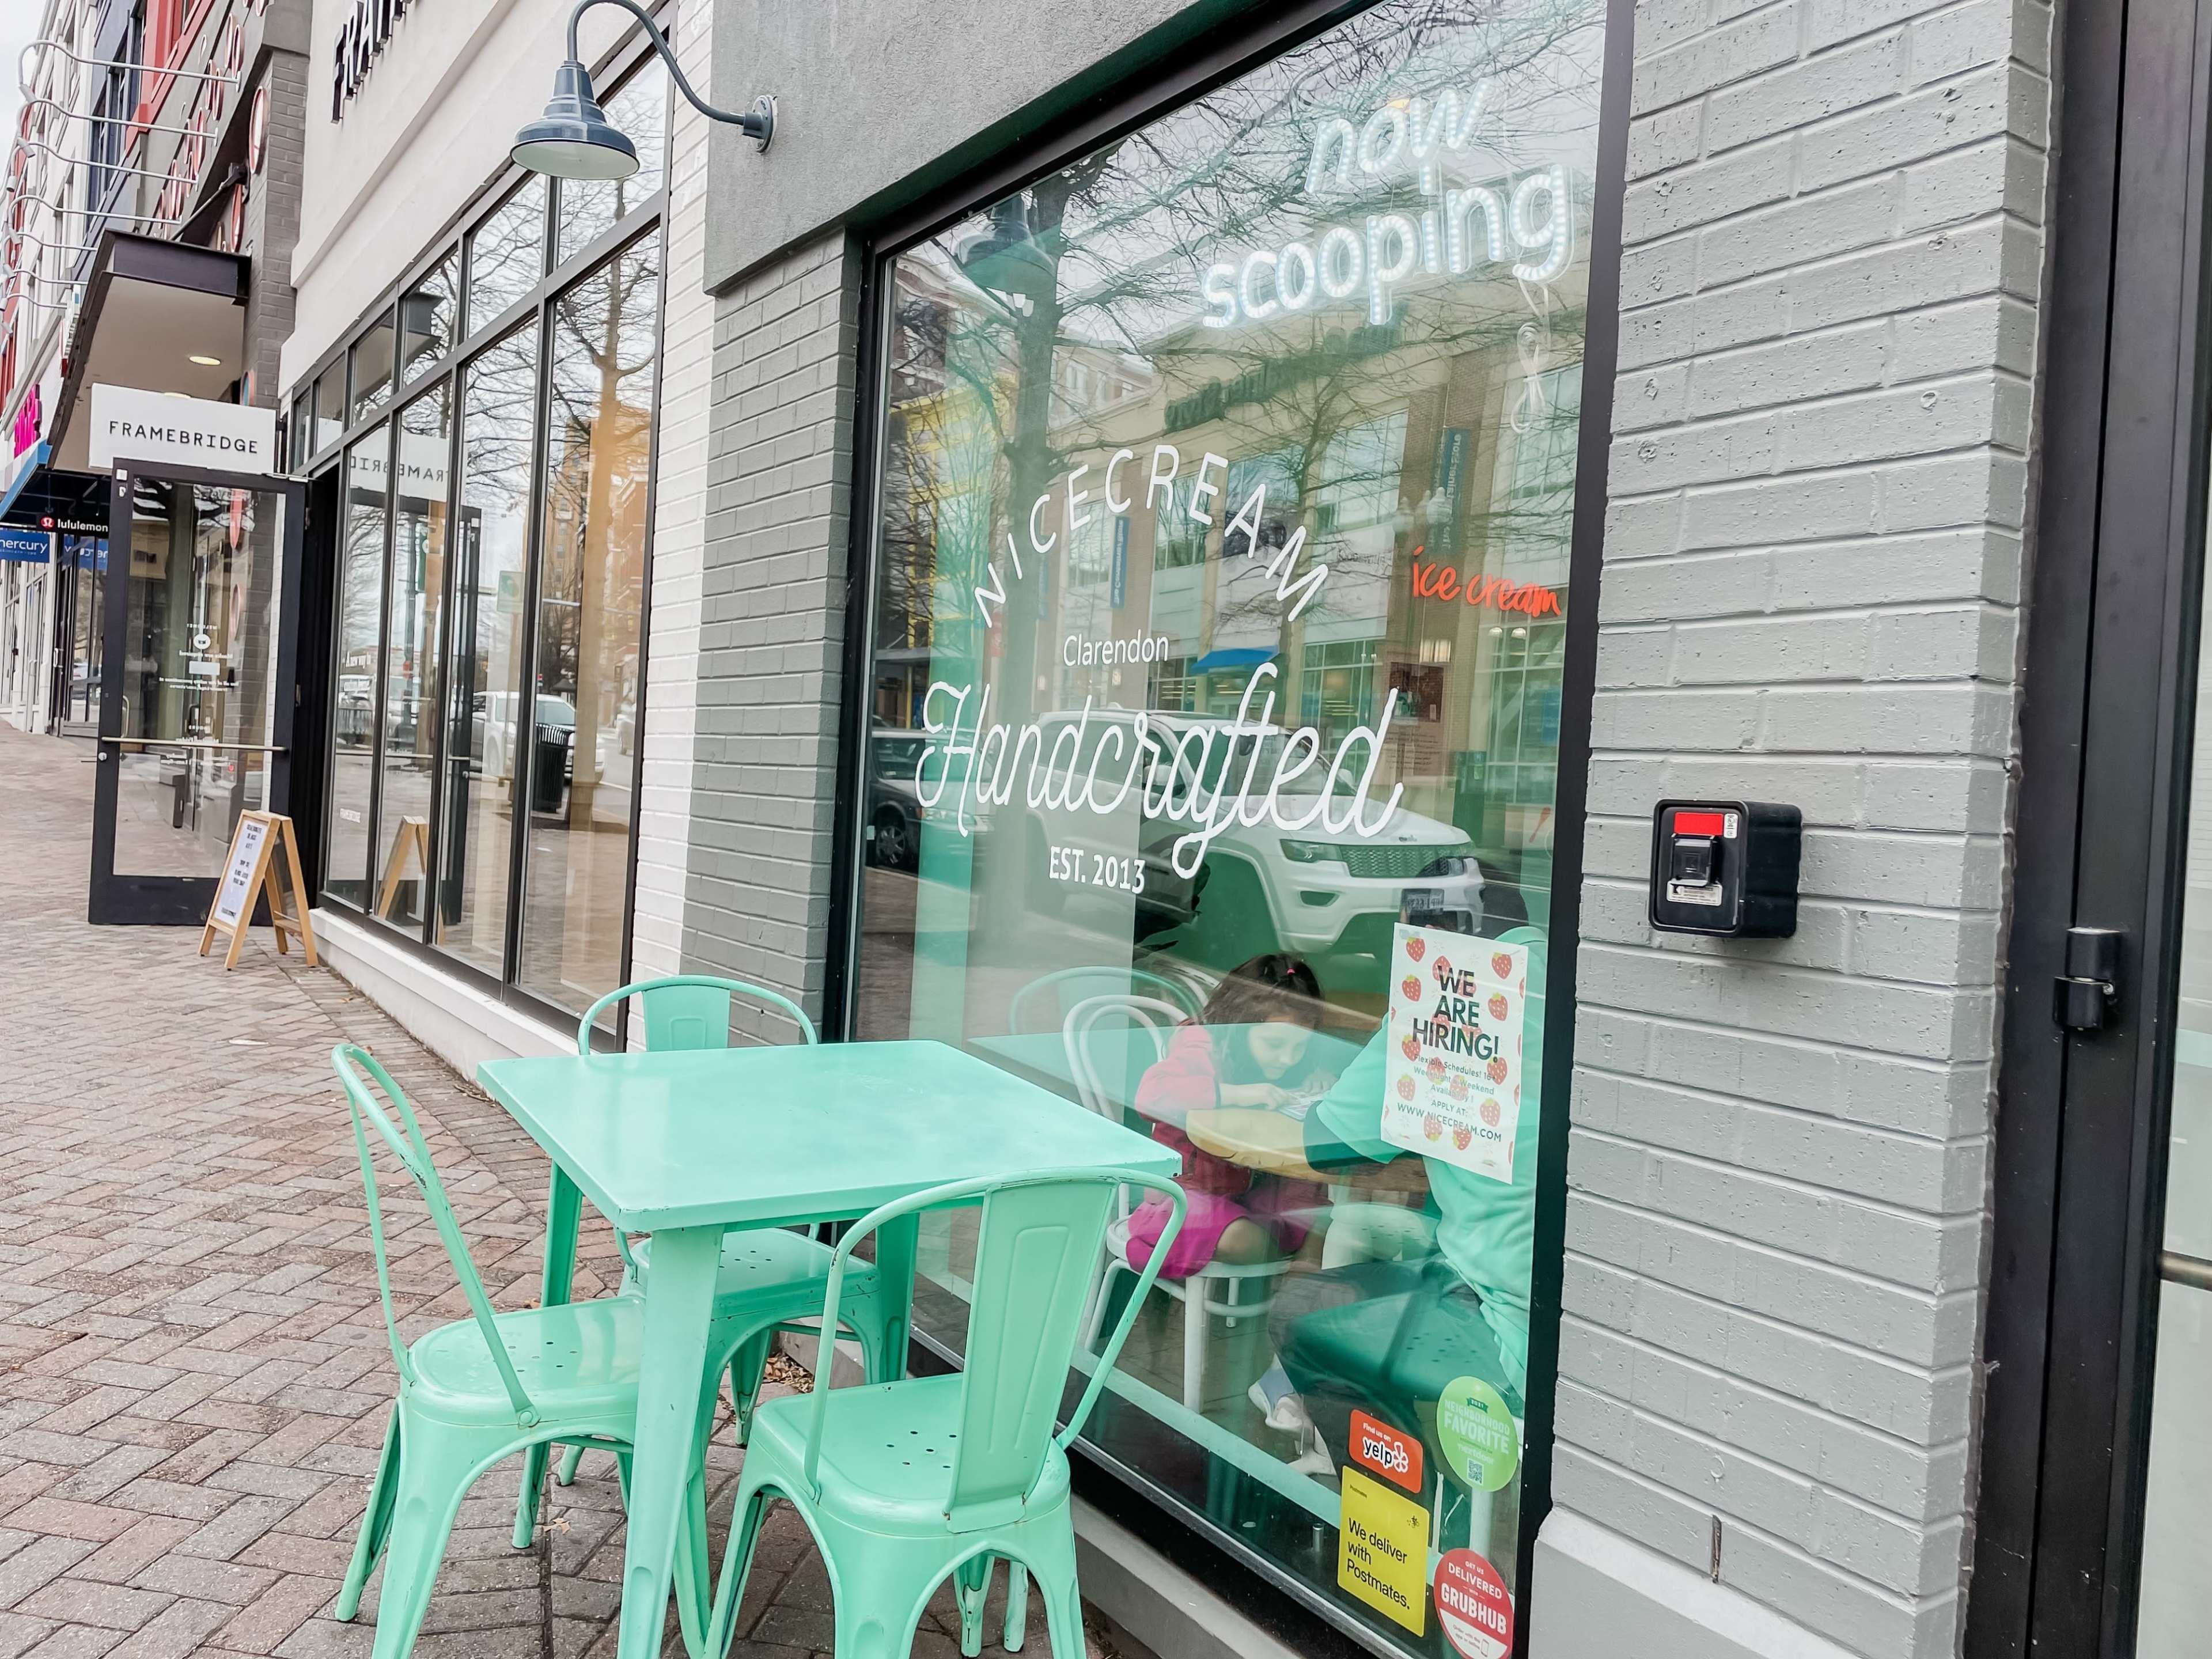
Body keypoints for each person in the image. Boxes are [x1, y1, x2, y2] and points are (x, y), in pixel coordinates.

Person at [1122, 954, 1331, 1279]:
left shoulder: (1284, 1058)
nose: (1288, 1059)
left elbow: (1295, 1064)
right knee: (1243, 1239)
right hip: (1185, 1195)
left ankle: (1300, 1275)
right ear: (1239, 1025)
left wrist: (1314, 1076)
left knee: (1313, 1208)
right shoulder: (1202, 1042)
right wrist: (1237, 1093)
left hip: (1250, 1188)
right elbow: (1152, 1095)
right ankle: (1286, 1276)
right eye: (1275, 1044)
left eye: (1301, 1047)